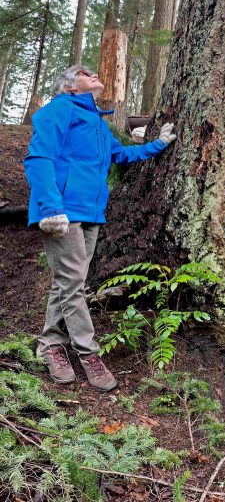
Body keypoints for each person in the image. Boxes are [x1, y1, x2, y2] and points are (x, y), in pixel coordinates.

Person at [24, 64, 176, 392]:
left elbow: (120, 154)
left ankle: (50, 344)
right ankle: (88, 353)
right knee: (73, 284)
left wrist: (159, 144)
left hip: (91, 213)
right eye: (83, 71)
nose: (92, 72)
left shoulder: (96, 122)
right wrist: (50, 208)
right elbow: (39, 158)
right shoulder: (59, 109)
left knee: (68, 282)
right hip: (61, 212)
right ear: (70, 87)